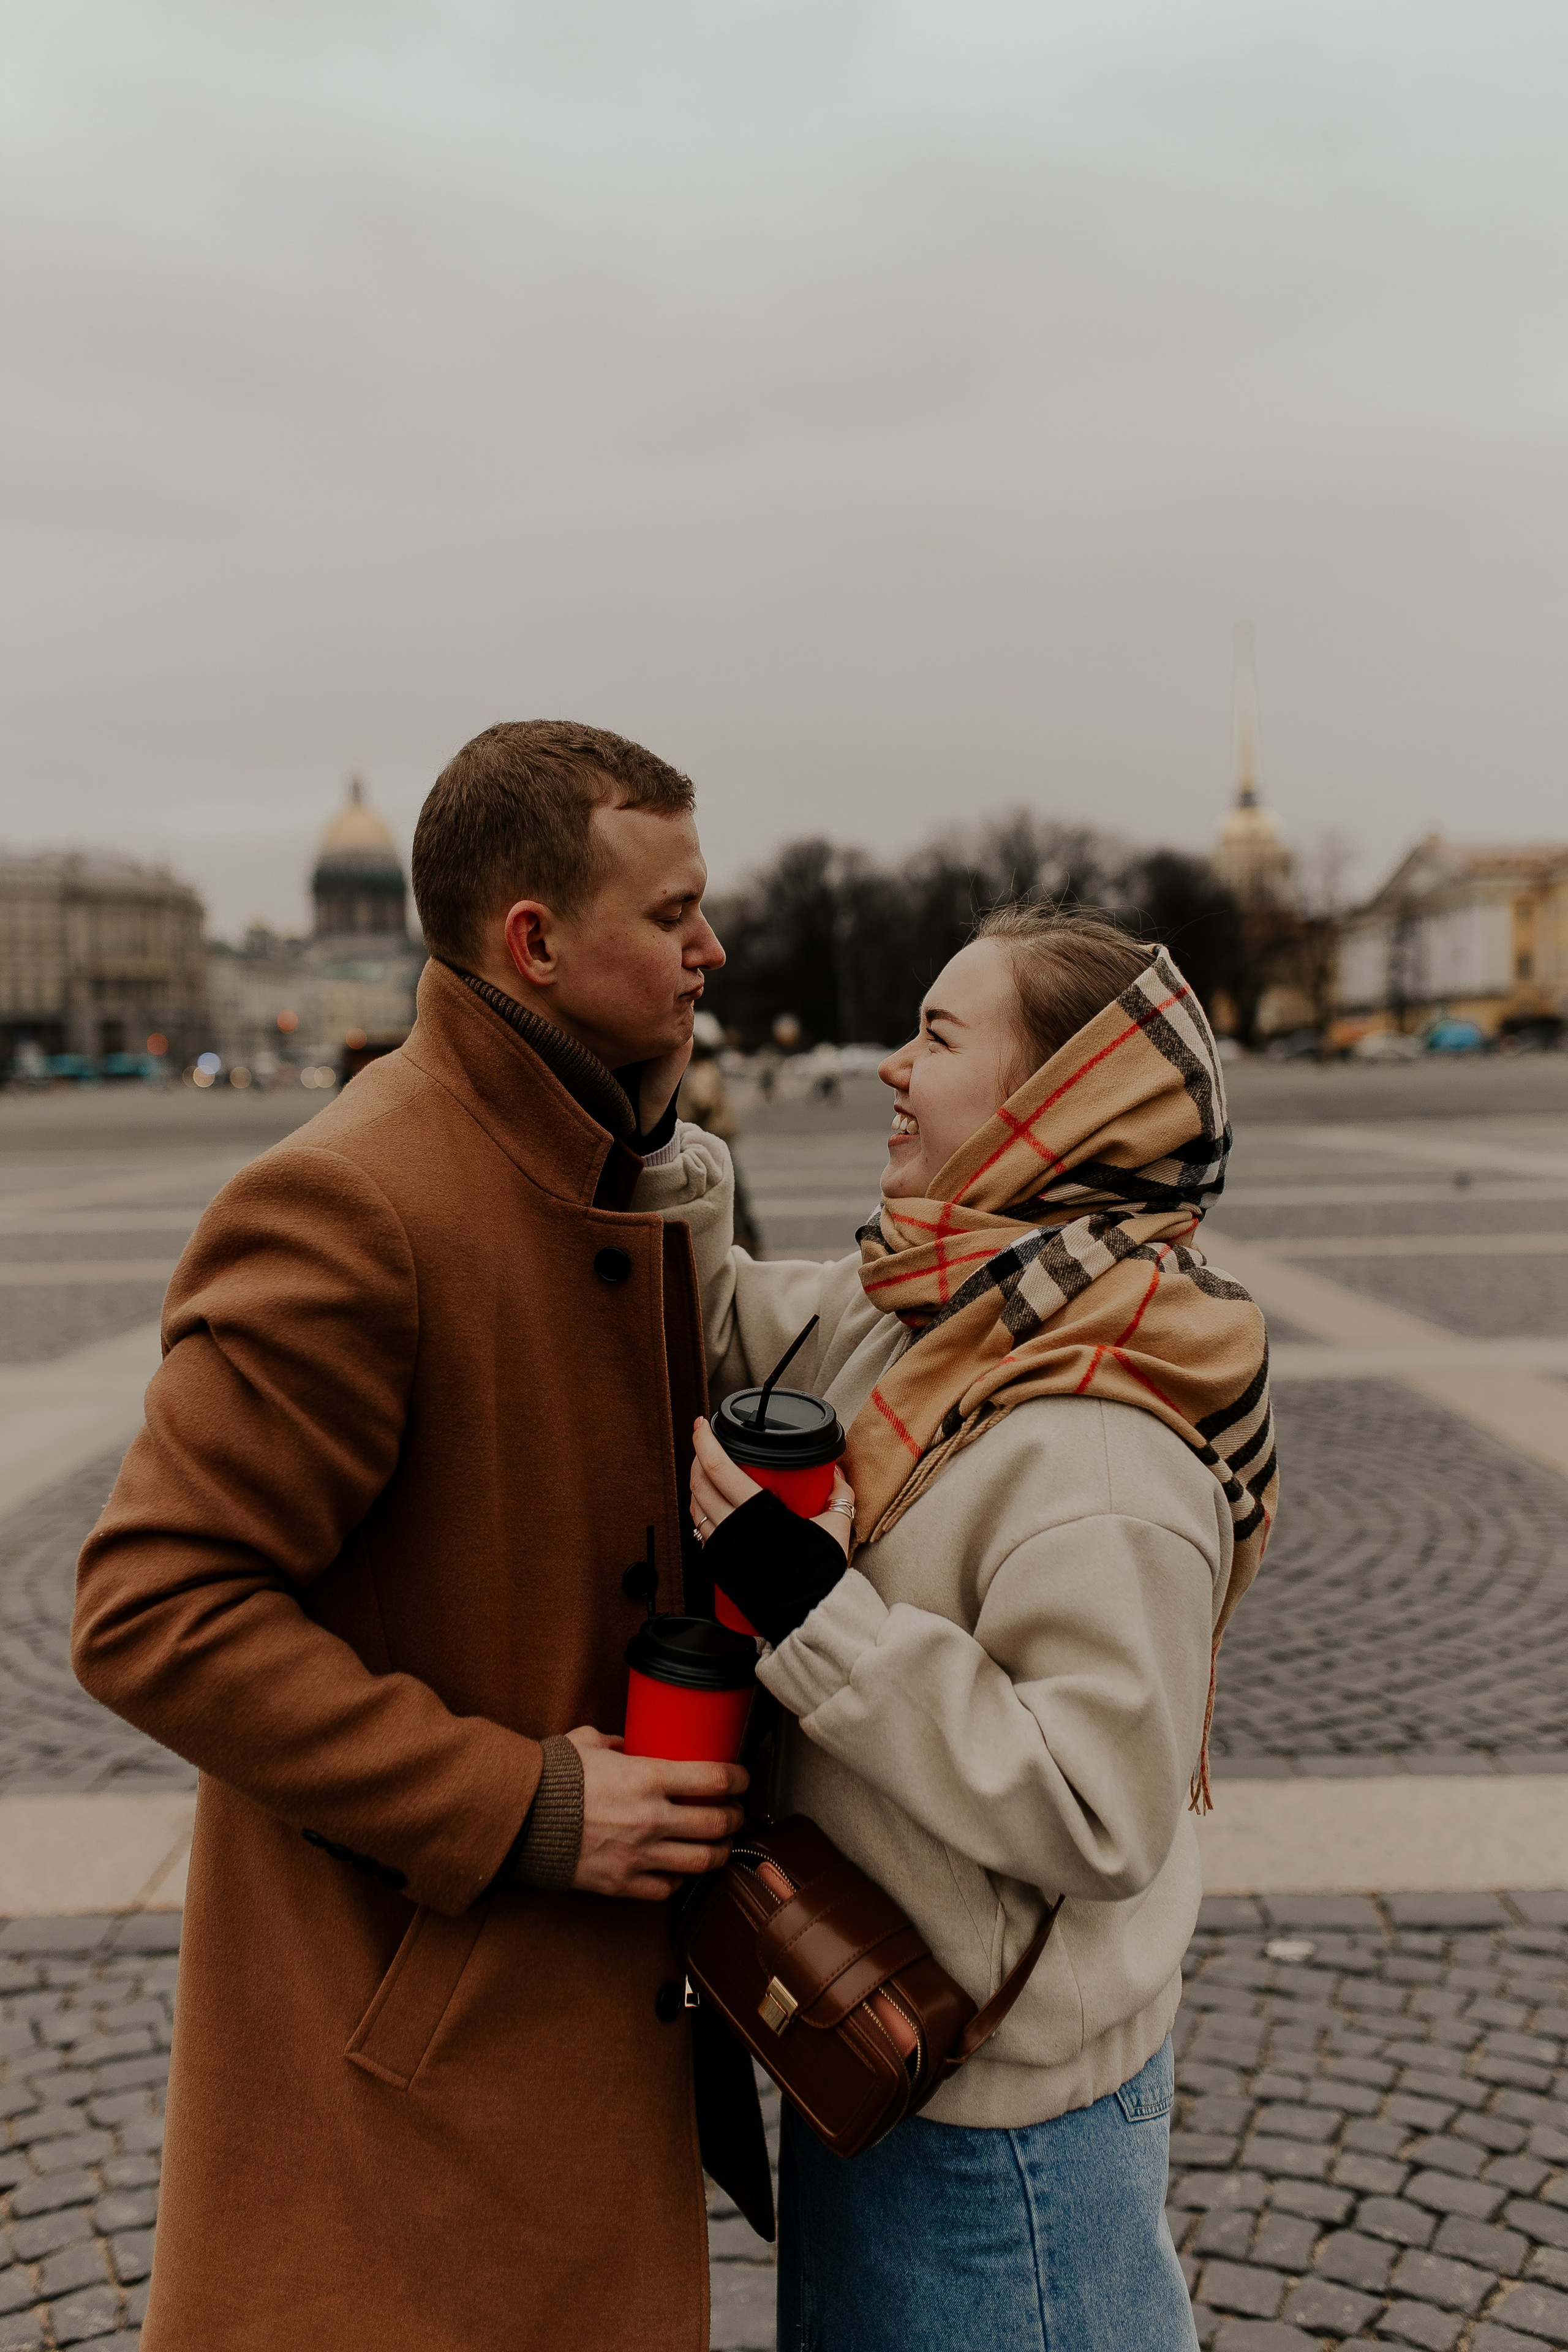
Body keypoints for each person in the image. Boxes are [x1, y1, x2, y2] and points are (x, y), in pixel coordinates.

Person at [72, 721, 764, 2352]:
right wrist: (521, 1802)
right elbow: (149, 1609)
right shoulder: (359, 1200)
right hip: (432, 2062)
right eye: (672, 915)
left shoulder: (598, 1156)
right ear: (534, 942)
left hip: (550, 2033)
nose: (710, 949)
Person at [643, 905, 1277, 2351]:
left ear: (1054, 1104)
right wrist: (646, 1111)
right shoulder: (943, 1305)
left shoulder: (1100, 1433)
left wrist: (813, 1607)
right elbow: (726, 1316)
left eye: (936, 1036)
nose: (887, 1065)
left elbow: (1098, 1808)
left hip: (1004, 2137)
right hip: (877, 2041)